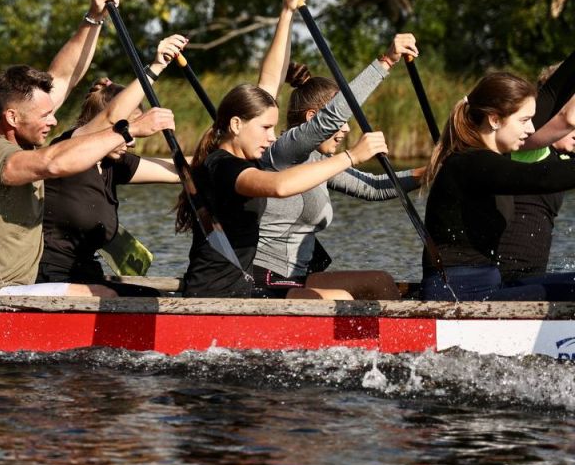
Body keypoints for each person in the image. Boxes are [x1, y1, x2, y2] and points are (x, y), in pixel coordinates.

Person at [0, 0, 175, 296]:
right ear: (13, 118)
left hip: (27, 288)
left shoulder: (24, 132)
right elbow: (53, 163)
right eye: (46, 116)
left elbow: (63, 76)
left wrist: (93, 18)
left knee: (146, 296)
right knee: (107, 297)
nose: (54, 120)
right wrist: (128, 131)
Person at [253, 34, 423, 299]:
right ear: (312, 118)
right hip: (264, 281)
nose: (346, 129)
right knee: (347, 293)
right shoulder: (283, 151)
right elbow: (333, 117)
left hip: (298, 279)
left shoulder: (320, 162)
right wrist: (386, 61)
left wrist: (430, 171)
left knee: (380, 281)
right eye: (342, 123)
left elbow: (375, 187)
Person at [177, 84, 387, 298]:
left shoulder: (249, 161)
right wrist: (350, 157)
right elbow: (279, 186)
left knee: (379, 284)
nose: (272, 137)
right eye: (266, 128)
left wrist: (283, 47)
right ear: (236, 124)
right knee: (339, 299)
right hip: (213, 295)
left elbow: (269, 79)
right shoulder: (223, 166)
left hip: (240, 289)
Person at [37, 34, 186, 296]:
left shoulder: (113, 164)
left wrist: (230, 156)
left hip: (85, 274)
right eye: (128, 131)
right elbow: (110, 118)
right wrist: (156, 67)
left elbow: (178, 171)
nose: (130, 142)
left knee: (156, 298)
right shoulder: (70, 147)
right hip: (49, 277)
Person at [420, 72, 575, 301]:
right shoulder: (471, 162)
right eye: (524, 121)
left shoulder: (483, 159)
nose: (532, 129)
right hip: (457, 296)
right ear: (494, 119)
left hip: (486, 287)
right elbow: (543, 178)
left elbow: (552, 94)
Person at [496, 52, 575, 280]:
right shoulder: (526, 146)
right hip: (505, 277)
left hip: (531, 279)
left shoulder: (564, 157)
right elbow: (567, 119)